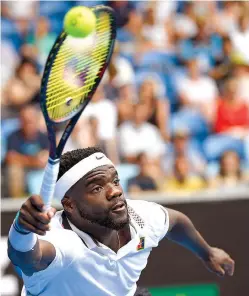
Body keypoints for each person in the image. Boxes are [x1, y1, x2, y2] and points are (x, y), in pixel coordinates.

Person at [8, 147, 234, 296]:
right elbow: (26, 256)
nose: (115, 191)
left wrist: (208, 252)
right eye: (97, 188)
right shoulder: (63, 243)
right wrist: (21, 228)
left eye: (115, 180)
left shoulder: (141, 217)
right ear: (69, 205)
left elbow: (176, 222)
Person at [5, 105, 49, 197]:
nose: (28, 124)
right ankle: (17, 202)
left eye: (30, 121)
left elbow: (46, 159)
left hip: (39, 171)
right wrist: (33, 161)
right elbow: (10, 158)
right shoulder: (13, 136)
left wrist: (22, 159)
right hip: (22, 170)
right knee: (14, 170)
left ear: (36, 121)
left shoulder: (44, 137)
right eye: (24, 121)